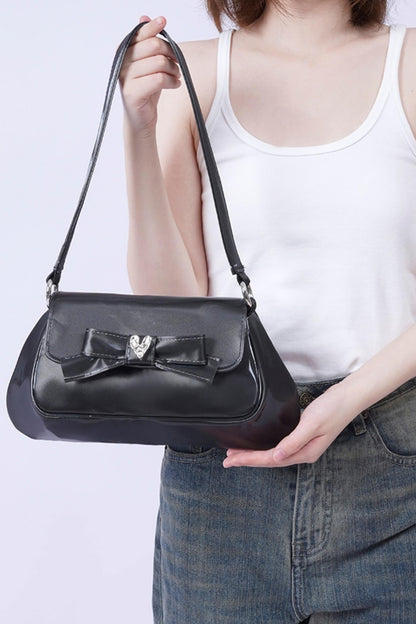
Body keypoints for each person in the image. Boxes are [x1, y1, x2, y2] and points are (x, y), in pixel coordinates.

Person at [119, 1, 416, 621]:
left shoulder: (408, 65)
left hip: (394, 468)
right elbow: (172, 311)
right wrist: (138, 132)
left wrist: (348, 398)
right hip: (221, 474)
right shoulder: (195, 73)